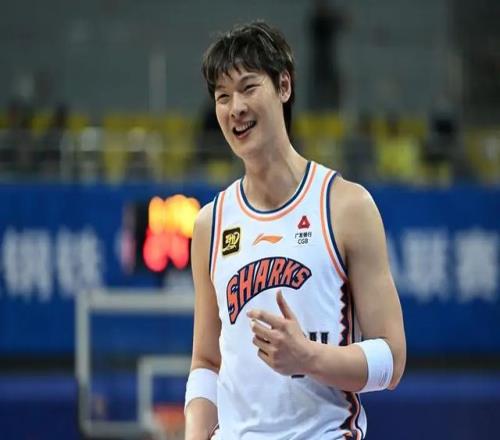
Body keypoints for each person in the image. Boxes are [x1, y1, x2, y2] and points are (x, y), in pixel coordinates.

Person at [185, 21, 406, 440]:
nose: (235, 108)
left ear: (284, 86)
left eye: (249, 88)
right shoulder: (210, 224)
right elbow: (206, 363)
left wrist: (308, 357)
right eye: (223, 96)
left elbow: (391, 360)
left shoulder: (347, 207)